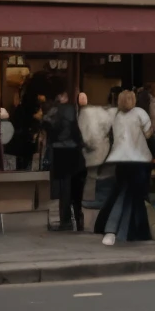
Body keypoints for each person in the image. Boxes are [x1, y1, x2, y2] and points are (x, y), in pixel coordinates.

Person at [94, 89, 154, 245]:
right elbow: (149, 134)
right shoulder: (140, 113)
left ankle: (119, 229)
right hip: (139, 159)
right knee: (134, 195)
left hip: (120, 159)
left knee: (122, 191)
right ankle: (115, 230)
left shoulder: (116, 116)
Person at [41, 87, 87, 231]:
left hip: (59, 151)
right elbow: (77, 131)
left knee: (64, 188)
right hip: (73, 150)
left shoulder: (53, 111)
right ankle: (78, 217)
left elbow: (45, 124)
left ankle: (65, 220)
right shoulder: (71, 110)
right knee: (76, 187)